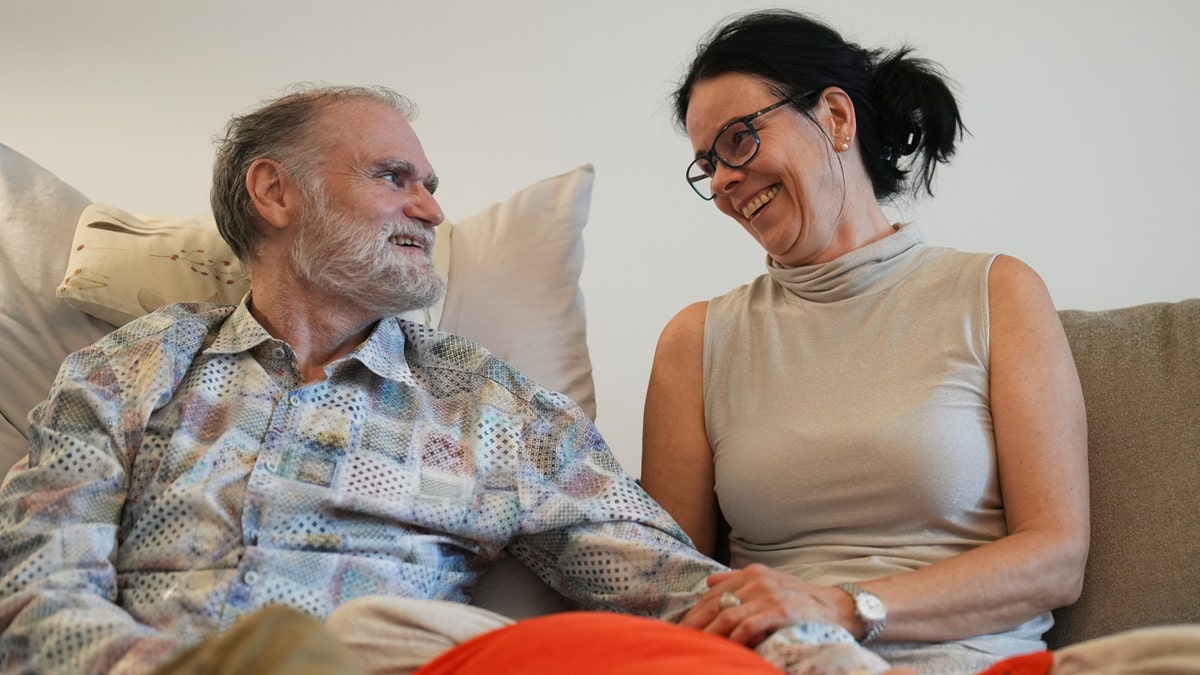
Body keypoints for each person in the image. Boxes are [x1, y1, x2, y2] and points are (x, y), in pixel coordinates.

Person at [0, 84, 904, 675]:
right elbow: (37, 596)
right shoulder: (126, 371)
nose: (433, 208)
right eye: (395, 177)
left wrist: (822, 652)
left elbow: (665, 583)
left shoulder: (493, 405)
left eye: (431, 183)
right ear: (275, 194)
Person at [640, 9, 1090, 675]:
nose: (723, 184)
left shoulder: (996, 291)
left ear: (836, 118)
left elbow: (1056, 557)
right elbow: (666, 586)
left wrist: (846, 606)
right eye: (707, 164)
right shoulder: (696, 340)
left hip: (966, 661)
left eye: (737, 141)